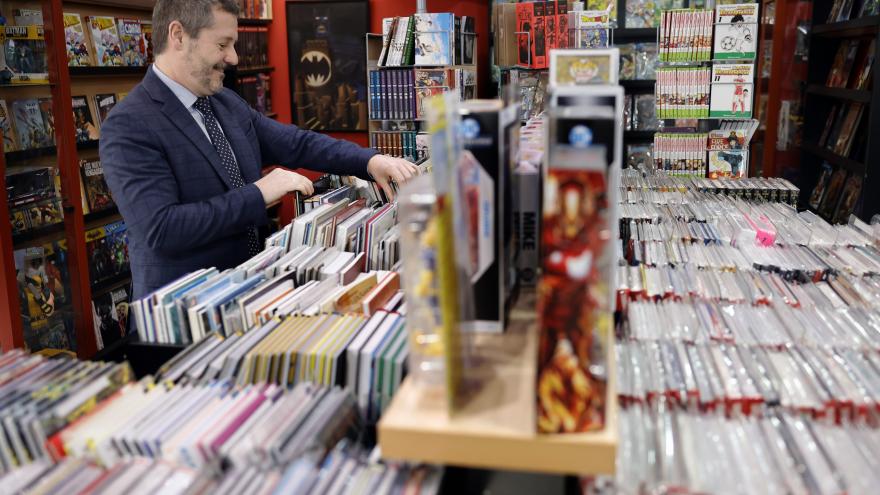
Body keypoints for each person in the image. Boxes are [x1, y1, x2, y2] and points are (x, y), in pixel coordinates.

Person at [100, 0, 416, 300]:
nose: (234, 58)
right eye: (222, 45)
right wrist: (259, 192)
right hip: (185, 319)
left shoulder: (225, 103)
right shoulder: (129, 125)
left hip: (250, 294)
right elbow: (163, 228)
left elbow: (298, 143)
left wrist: (370, 159)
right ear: (178, 36)